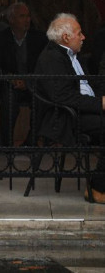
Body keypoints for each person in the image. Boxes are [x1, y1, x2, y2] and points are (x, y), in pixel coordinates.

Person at [33, 13, 105, 203]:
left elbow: (91, 86)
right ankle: (97, 188)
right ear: (66, 37)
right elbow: (63, 97)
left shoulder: (75, 56)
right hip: (68, 117)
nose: (83, 37)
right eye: (79, 33)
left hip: (86, 111)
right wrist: (100, 103)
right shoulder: (51, 58)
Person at [0, 2, 48, 146]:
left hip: (34, 84)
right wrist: (12, 79)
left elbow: (44, 66)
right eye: (22, 16)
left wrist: (28, 82)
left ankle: (31, 141)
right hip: (10, 84)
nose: (27, 19)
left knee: (41, 100)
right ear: (11, 19)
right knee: (9, 99)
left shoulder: (40, 38)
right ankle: (6, 145)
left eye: (28, 16)